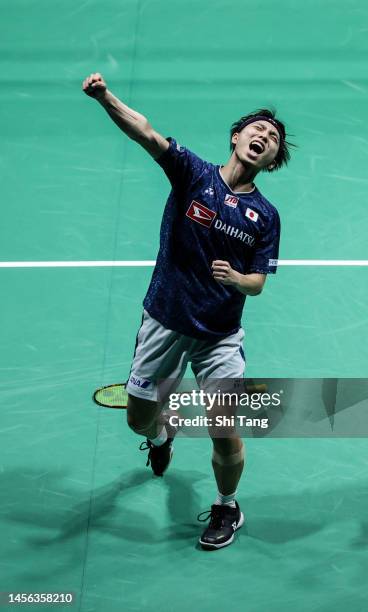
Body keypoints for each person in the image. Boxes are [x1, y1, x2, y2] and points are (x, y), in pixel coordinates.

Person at [82, 72, 293, 550]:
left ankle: (226, 505)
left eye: (274, 139)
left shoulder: (267, 216)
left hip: (220, 335)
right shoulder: (193, 175)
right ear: (236, 138)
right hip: (165, 322)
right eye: (258, 129)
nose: (264, 137)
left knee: (224, 425)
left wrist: (238, 280)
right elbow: (147, 132)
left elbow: (258, 282)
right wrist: (104, 97)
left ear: (274, 159)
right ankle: (162, 436)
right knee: (139, 420)